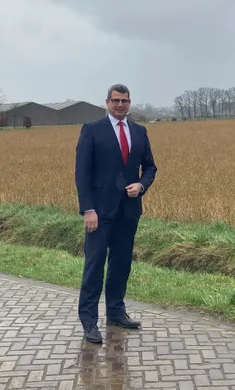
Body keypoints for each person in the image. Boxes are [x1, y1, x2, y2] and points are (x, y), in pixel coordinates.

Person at [75, 83, 157, 344]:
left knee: (121, 264)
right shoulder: (92, 131)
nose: (120, 105)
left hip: (128, 211)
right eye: (116, 101)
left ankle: (116, 312)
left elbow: (151, 168)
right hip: (99, 212)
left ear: (130, 102)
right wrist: (88, 209)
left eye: (125, 101)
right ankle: (89, 322)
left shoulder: (140, 132)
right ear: (107, 102)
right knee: (95, 265)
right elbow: (82, 174)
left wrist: (141, 185)